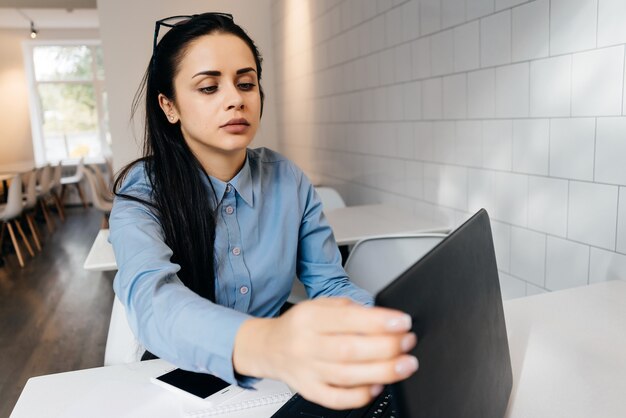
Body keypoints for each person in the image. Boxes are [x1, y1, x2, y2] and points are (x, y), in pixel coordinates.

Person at [110, 12, 418, 410]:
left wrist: (384, 330)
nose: (235, 98)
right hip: (176, 383)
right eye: (208, 87)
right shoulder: (142, 195)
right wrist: (269, 343)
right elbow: (154, 301)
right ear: (170, 106)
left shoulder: (287, 179)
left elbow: (330, 284)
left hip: (273, 381)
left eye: (246, 83)